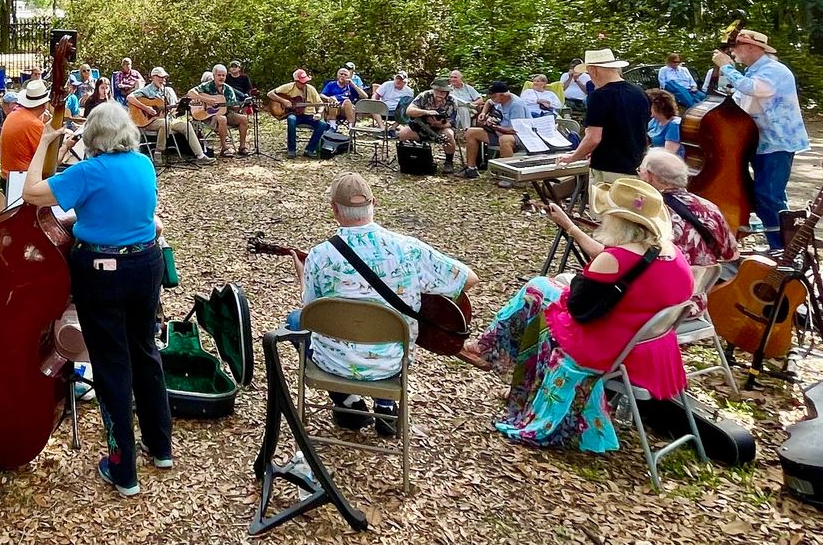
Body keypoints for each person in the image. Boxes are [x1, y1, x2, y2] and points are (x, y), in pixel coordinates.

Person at [463, 177, 692, 452]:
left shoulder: (617, 259)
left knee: (536, 291)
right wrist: (569, 226)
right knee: (546, 290)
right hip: (649, 344)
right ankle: (503, 365)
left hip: (607, 346)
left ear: (618, 221)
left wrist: (566, 284)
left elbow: (578, 307)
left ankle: (489, 351)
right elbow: (610, 260)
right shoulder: (670, 253)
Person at [22, 102, 171, 497]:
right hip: (147, 263)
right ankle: (160, 446)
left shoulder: (88, 171)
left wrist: (45, 143)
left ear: (92, 137)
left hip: (103, 271)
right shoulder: (143, 163)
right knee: (145, 350)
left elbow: (31, 193)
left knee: (111, 362)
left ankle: (123, 470)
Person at [288, 173, 477, 435]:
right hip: (392, 362)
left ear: (334, 209)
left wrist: (302, 274)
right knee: (383, 329)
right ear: (373, 203)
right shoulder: (408, 248)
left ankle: (347, 402)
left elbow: (311, 310)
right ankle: (386, 406)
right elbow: (469, 279)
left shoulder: (320, 255)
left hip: (334, 362)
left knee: (295, 320)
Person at [712, 29, 810, 254]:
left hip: (777, 143)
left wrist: (726, 66)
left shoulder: (774, 70)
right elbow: (740, 98)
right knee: (768, 195)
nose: (734, 53)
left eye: (737, 48)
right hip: (759, 142)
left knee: (768, 194)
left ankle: (783, 248)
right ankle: (780, 242)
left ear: (752, 48)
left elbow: (753, 89)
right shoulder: (753, 71)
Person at [638, 149, 738, 310]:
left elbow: (623, 258)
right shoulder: (709, 208)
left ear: (650, 176)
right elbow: (731, 254)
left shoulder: (644, 211)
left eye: (640, 172)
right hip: (695, 303)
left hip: (655, 306)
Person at [555, 48, 649, 186]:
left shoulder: (599, 96)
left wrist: (572, 157)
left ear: (593, 70)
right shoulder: (639, 92)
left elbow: (593, 138)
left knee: (605, 207)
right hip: (637, 166)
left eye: (589, 73)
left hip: (608, 168)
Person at [128, 68, 213, 164]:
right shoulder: (147, 90)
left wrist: (179, 107)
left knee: (186, 125)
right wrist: (147, 108)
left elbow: (170, 110)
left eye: (164, 77)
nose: (163, 80)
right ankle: (158, 151)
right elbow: (130, 97)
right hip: (147, 121)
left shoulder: (165, 91)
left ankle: (200, 156)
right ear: (153, 77)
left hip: (165, 119)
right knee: (165, 123)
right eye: (160, 77)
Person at [463, 81, 529, 183]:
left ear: (502, 95)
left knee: (504, 140)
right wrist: (484, 113)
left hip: (518, 136)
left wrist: (494, 126)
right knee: (471, 132)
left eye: (493, 96)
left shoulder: (516, 105)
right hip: (499, 131)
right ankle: (471, 168)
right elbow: (489, 102)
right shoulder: (498, 100)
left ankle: (509, 175)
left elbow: (515, 130)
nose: (491, 98)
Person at [398, 78, 458, 172]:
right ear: (433, 89)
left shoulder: (452, 101)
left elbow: (451, 122)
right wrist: (426, 112)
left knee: (449, 134)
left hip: (441, 129)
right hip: (421, 128)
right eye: (438, 91)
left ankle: (448, 161)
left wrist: (438, 124)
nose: (440, 94)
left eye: (443, 92)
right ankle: (411, 159)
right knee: (403, 133)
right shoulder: (424, 96)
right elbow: (409, 111)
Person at [189, 64, 249, 156]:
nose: (221, 77)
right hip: (208, 116)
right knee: (222, 119)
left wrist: (240, 105)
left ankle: (242, 147)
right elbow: (190, 93)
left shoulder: (228, 89)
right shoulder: (206, 86)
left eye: (223, 75)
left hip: (225, 113)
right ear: (214, 76)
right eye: (219, 75)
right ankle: (224, 149)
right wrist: (207, 100)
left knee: (243, 118)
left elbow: (234, 108)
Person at [0, 79, 51, 184]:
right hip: (22, 181)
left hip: (7, 177)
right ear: (44, 105)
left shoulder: (14, 114)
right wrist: (65, 146)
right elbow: (47, 162)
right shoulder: (34, 124)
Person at [269, 69, 329, 158]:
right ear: (296, 81)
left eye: (305, 82)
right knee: (291, 119)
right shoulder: (288, 87)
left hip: (309, 115)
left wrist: (319, 113)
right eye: (301, 82)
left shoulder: (311, 89)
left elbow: (321, 104)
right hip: (295, 114)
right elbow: (270, 94)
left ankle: (310, 149)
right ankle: (291, 150)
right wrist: (283, 101)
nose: (304, 84)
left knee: (323, 124)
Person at [646, 89, 683, 157]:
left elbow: (668, 155)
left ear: (659, 106)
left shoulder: (674, 125)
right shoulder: (654, 121)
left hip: (668, 163)